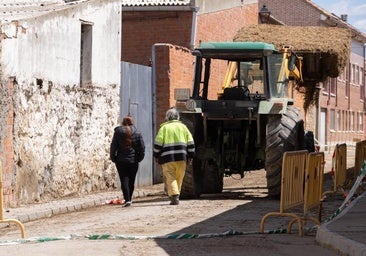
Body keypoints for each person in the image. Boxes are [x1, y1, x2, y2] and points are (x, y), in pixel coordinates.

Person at [153, 108, 195, 205]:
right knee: (179, 177)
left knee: (170, 177)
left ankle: (174, 196)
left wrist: (156, 155)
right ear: (178, 117)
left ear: (167, 117)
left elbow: (158, 144)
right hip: (182, 158)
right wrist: (191, 155)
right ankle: (176, 194)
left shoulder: (164, 128)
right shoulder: (183, 127)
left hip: (167, 158)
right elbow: (191, 143)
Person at [110, 116, 145, 207]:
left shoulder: (118, 132)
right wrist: (139, 158)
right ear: (132, 123)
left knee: (124, 180)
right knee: (131, 180)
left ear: (123, 122)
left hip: (121, 160)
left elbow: (113, 146)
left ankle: (127, 200)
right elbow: (142, 147)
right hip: (133, 160)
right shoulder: (137, 133)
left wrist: (113, 158)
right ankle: (129, 198)